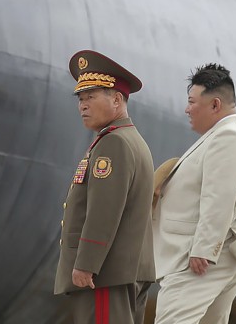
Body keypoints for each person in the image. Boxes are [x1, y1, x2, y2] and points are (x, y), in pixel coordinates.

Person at [153, 63, 236, 324]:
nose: (187, 109)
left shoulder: (229, 137)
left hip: (197, 259)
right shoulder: (223, 135)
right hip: (209, 254)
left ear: (215, 105)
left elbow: (218, 198)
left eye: (192, 102)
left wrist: (204, 249)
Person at [55, 50, 156, 324]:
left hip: (104, 275)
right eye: (80, 98)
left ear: (116, 99)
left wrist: (86, 264)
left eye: (91, 97)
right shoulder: (131, 140)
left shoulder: (114, 143)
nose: (83, 106)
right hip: (123, 269)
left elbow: (104, 210)